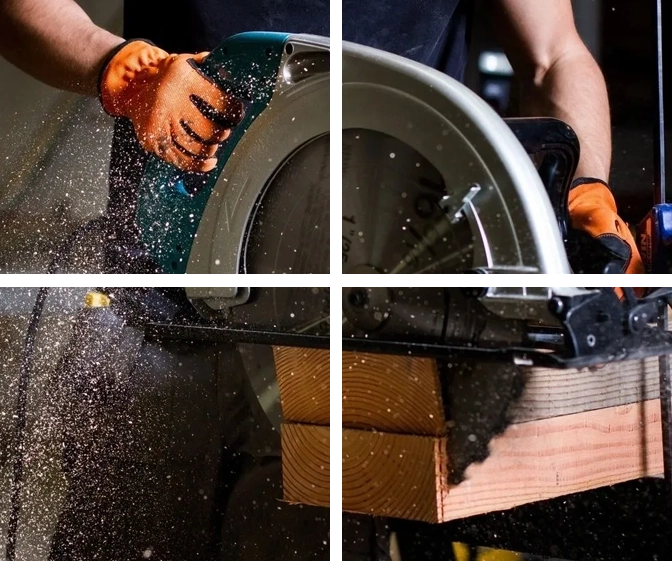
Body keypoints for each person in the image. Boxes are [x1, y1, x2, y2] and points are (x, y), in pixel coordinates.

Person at [0, 1, 645, 560]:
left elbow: (554, 55)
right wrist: (116, 65)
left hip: (369, 334)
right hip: (156, 302)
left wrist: (583, 185)